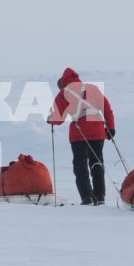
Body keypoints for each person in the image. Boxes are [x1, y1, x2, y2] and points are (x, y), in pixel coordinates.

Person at [47, 67, 114, 204]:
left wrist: (50, 119)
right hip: (97, 129)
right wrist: (111, 128)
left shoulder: (63, 94)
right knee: (97, 161)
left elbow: (58, 119)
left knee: (80, 165)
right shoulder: (92, 88)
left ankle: (87, 197)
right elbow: (107, 108)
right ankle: (100, 196)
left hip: (79, 132)